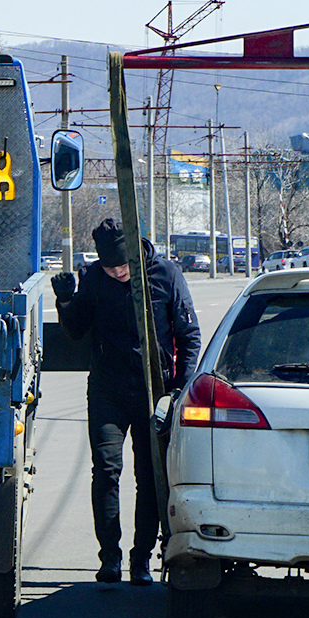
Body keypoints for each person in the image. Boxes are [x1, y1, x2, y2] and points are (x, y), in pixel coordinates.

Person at [54, 218, 200, 585]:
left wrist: (178, 389)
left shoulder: (166, 274)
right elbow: (75, 331)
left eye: (124, 265)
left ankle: (141, 559)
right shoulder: (95, 278)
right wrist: (67, 300)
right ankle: (110, 558)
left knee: (150, 475)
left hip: (155, 390)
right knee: (106, 470)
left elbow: (189, 335)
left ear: (136, 253)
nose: (119, 272)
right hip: (108, 389)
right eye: (110, 267)